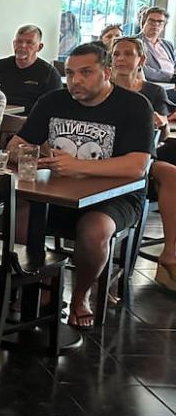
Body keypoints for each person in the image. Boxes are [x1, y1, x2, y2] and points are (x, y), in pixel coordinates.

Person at [9, 42, 155, 326]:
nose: (76, 80)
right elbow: (16, 146)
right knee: (20, 215)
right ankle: (43, 285)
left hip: (116, 197)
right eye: (71, 73)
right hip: (59, 192)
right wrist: (35, 154)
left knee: (94, 230)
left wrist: (79, 165)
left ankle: (80, 294)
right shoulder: (53, 102)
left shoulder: (135, 106)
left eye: (86, 72)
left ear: (107, 72)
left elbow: (138, 166)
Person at [111, 36, 176, 291]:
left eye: (128, 54)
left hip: (142, 156)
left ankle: (170, 251)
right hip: (106, 155)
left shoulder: (153, 91)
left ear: (141, 60)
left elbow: (164, 135)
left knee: (170, 173)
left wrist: (160, 121)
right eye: (117, 54)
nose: (122, 59)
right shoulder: (103, 88)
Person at [0, 25, 63, 115]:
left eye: (29, 43)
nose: (22, 46)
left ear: (39, 47)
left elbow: (55, 106)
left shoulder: (49, 74)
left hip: (30, 121)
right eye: (19, 42)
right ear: (14, 44)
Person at [140, 6, 176, 83]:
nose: (156, 24)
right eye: (151, 21)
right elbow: (141, 69)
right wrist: (170, 77)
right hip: (154, 84)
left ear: (164, 26)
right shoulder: (135, 42)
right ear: (143, 23)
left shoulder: (168, 44)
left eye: (160, 22)